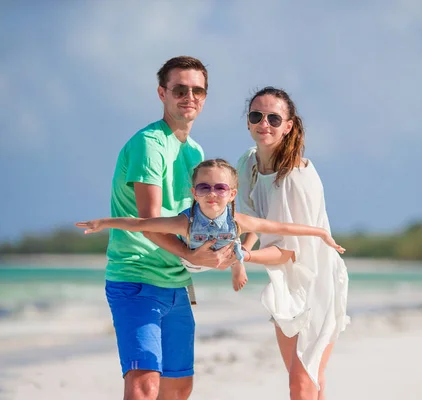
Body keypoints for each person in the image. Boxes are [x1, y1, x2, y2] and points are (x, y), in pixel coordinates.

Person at [104, 56, 238, 400]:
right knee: (144, 382)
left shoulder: (195, 152)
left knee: (178, 388)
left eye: (197, 90)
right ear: (162, 93)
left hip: (176, 282)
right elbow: (149, 220)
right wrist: (192, 254)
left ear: (205, 97)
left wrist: (223, 254)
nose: (189, 97)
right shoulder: (149, 144)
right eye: (180, 89)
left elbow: (203, 218)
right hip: (136, 277)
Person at [76, 158, 346, 292]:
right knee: (154, 230)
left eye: (220, 187)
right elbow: (140, 223)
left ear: (231, 193)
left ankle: (240, 259)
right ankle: (238, 256)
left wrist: (321, 232)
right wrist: (104, 222)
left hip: (228, 251)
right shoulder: (186, 222)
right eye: (204, 187)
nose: (212, 193)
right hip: (193, 261)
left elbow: (282, 227)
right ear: (194, 193)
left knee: (272, 243)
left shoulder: (237, 219)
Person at [236, 86, 350, 400]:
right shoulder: (248, 164)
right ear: (247, 122)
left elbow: (289, 252)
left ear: (288, 126)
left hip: (316, 283)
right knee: (310, 380)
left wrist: (242, 257)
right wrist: (244, 246)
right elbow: (254, 220)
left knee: (302, 384)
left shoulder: (296, 178)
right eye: (256, 115)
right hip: (286, 284)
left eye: (274, 118)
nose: (264, 124)